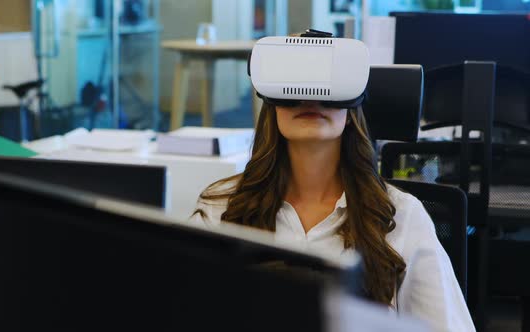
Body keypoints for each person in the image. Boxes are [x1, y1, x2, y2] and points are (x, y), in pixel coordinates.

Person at [190, 98, 476, 331]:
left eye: (326, 88)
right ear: (270, 99)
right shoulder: (222, 206)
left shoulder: (402, 214)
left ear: (352, 106)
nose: (309, 98)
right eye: (293, 86)